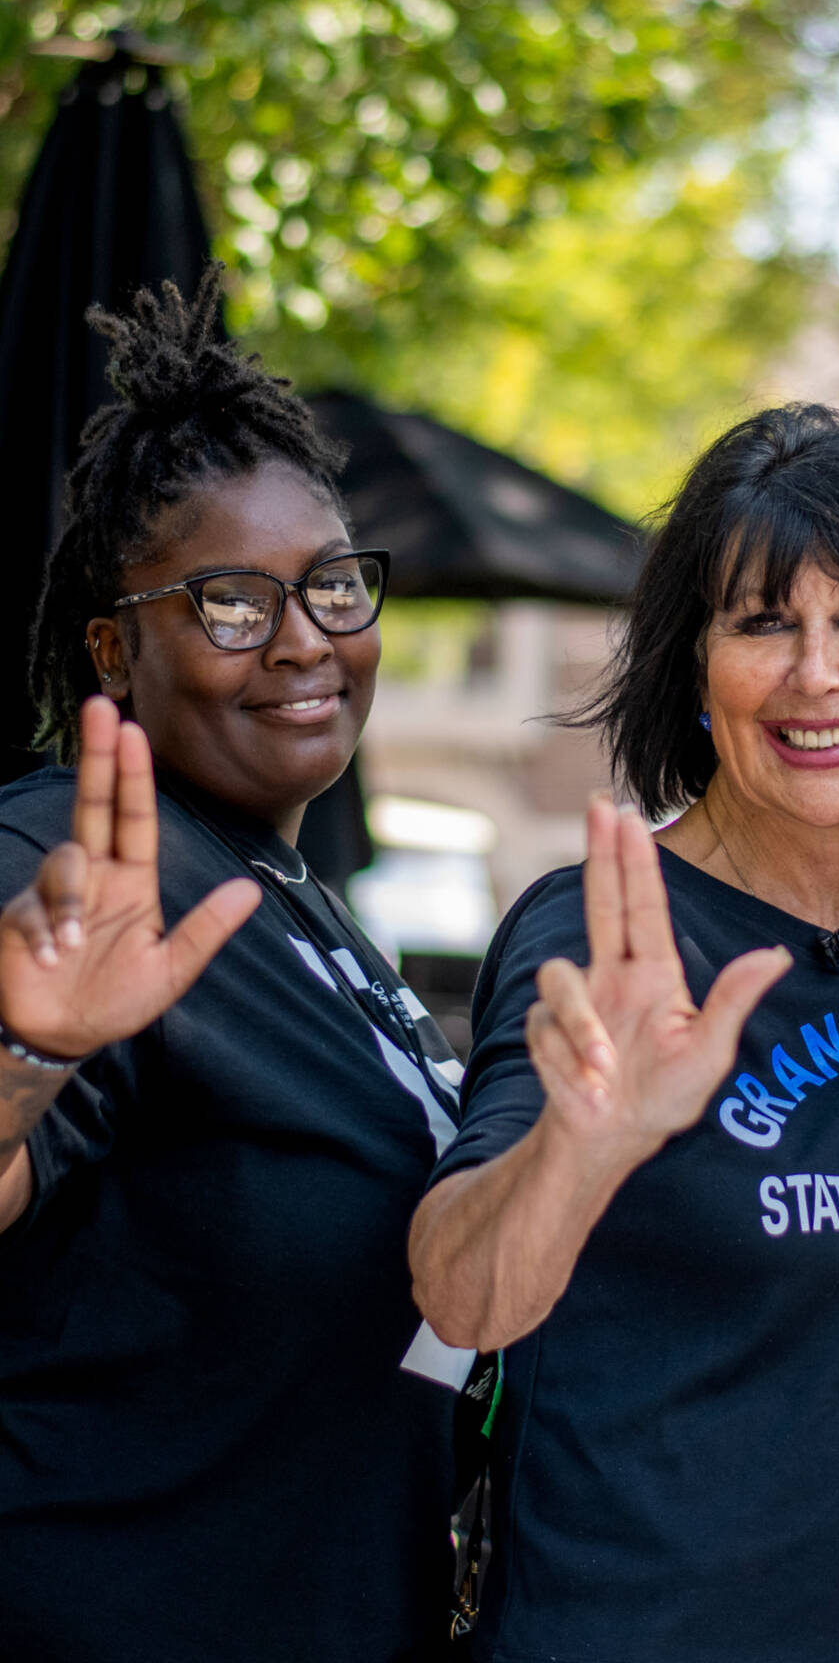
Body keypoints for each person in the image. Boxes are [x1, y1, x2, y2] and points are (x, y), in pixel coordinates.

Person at [408, 401, 839, 1661]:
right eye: (762, 622)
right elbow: (458, 1288)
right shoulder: (610, 927)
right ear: (693, 672)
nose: (817, 674)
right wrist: (582, 1145)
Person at [0, 272, 468, 1663]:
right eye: (227, 603)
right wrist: (27, 1060)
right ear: (113, 651)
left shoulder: (274, 880)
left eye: (330, 583)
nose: (306, 640)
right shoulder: (70, 854)